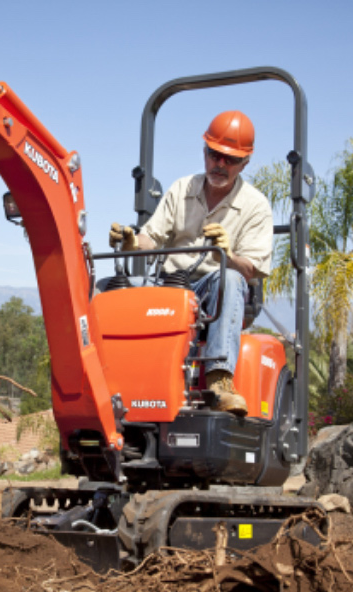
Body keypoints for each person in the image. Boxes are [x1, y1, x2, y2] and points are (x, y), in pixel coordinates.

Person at [109, 110, 273, 416]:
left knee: (231, 278)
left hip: (213, 290)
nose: (220, 164)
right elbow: (151, 238)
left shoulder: (256, 206)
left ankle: (220, 379)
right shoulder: (182, 189)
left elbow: (251, 270)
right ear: (204, 151)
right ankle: (109, 377)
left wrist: (226, 253)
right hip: (170, 285)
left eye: (230, 159)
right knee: (112, 290)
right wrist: (132, 241)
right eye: (214, 154)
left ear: (245, 163)